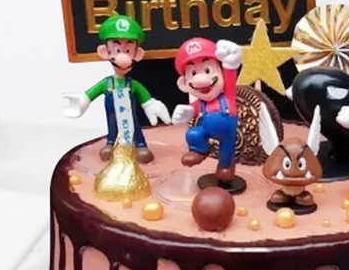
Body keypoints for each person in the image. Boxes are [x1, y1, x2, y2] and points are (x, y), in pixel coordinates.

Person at [62, 15, 170, 163]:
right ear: (105, 52)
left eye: (128, 51)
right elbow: (90, 94)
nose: (123, 58)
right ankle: (110, 143)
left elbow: (144, 96)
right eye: (117, 50)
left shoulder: (133, 84)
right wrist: (82, 101)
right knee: (112, 124)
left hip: (130, 113)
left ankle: (140, 145)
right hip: (111, 112)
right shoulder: (106, 83)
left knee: (135, 123)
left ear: (137, 54)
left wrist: (150, 104)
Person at [172, 37, 242, 182]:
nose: (201, 80)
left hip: (228, 135)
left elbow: (230, 75)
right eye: (193, 73)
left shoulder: (228, 96)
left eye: (207, 70)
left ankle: (226, 166)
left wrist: (230, 62)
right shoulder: (199, 104)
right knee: (193, 133)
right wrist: (186, 113)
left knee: (226, 157)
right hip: (205, 130)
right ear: (184, 83)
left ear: (220, 72)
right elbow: (191, 110)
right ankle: (199, 150)